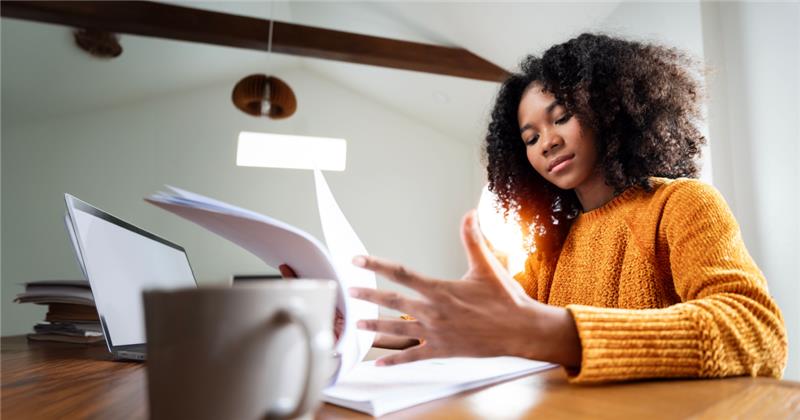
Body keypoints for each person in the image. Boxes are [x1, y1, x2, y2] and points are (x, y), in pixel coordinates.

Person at [345, 33, 787, 383]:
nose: (547, 142)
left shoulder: (681, 203)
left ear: (609, 110)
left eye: (560, 117)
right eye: (531, 137)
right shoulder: (551, 251)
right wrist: (352, 322)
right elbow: (479, 322)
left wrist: (554, 332)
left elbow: (757, 330)